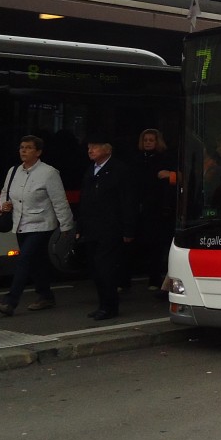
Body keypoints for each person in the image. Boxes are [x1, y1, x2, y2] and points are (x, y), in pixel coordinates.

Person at [0, 136, 74, 317]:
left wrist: (66, 226)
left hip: (42, 224)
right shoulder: (14, 171)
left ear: (38, 152)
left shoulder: (49, 173)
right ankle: (46, 296)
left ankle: (10, 302)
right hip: (20, 223)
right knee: (36, 263)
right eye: (21, 147)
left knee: (24, 260)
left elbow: (59, 201)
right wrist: (4, 204)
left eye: (28, 148)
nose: (23, 151)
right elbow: (5, 192)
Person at [76, 136, 137, 320]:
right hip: (92, 227)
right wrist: (80, 226)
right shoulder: (91, 170)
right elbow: (84, 200)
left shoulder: (119, 170)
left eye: (95, 146)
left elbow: (128, 201)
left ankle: (110, 306)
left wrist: (129, 229)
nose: (90, 150)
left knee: (105, 267)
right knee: (95, 268)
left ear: (107, 149)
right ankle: (103, 303)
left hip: (111, 227)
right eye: (89, 147)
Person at [135, 129, 176, 294]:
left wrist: (170, 175)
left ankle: (155, 277)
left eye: (151, 140)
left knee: (157, 244)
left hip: (159, 206)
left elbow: (179, 177)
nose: (148, 142)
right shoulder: (138, 159)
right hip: (143, 205)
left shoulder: (165, 158)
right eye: (145, 140)